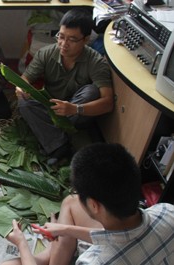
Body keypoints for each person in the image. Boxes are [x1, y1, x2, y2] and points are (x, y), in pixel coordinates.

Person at [3, 143, 174, 265]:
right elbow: (122, 235)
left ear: (94, 205)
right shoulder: (166, 211)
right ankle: (50, 254)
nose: (77, 196)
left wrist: (22, 244)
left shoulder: (93, 261)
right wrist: (66, 229)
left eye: (79, 193)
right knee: (69, 202)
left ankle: (48, 255)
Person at [16, 8, 114, 165]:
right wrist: (21, 88)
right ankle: (61, 143)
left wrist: (75, 109)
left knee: (91, 92)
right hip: (52, 107)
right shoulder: (46, 53)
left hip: (77, 112)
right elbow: (25, 78)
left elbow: (108, 103)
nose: (63, 44)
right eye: (60, 36)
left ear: (86, 40)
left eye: (72, 40)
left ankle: (51, 139)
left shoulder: (96, 62)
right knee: (23, 102)